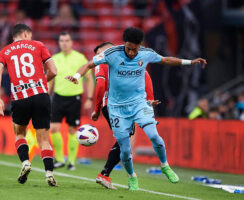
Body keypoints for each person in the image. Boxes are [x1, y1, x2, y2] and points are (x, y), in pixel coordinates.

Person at [66, 27, 207, 190]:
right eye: (129, 48)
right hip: (117, 108)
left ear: (140, 46)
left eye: (135, 49)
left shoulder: (146, 53)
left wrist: (190, 62)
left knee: (155, 136)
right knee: (125, 151)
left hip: (139, 104)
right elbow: (89, 64)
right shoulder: (112, 54)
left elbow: (166, 60)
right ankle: (132, 176)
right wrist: (76, 77)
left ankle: (164, 165)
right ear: (124, 43)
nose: (132, 53)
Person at [0, 24, 58, 186]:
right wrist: (42, 81)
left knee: (20, 134)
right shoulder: (38, 45)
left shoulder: (4, 52)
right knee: (43, 139)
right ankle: (49, 174)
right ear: (25, 33)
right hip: (41, 96)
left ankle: (25, 163)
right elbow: (55, 71)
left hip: (20, 97)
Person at [92, 42, 160, 189]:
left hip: (116, 106)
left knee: (123, 140)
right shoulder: (105, 62)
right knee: (124, 140)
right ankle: (104, 174)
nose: (98, 55)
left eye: (99, 51)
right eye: (97, 53)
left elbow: (144, 77)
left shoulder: (113, 61)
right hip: (117, 106)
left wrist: (98, 109)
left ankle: (105, 174)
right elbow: (101, 86)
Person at [50, 32, 94, 170]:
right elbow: (49, 79)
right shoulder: (54, 58)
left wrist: (90, 98)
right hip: (58, 96)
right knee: (53, 128)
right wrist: (44, 96)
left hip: (74, 97)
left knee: (72, 129)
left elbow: (89, 79)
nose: (64, 43)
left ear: (71, 42)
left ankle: (72, 161)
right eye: (61, 40)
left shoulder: (80, 58)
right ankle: (59, 159)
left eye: (66, 40)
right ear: (59, 42)